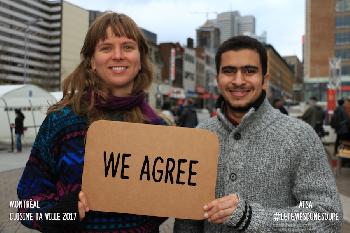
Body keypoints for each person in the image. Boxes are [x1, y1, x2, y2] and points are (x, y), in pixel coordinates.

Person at [17, 12, 167, 233]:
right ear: (91, 62)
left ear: (140, 59)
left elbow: (168, 204)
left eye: (127, 47)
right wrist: (60, 214)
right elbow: (22, 205)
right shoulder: (61, 122)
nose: (118, 55)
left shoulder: (159, 129)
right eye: (106, 48)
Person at [174, 36, 342, 232]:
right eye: (229, 71)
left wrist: (252, 217)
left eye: (249, 71)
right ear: (217, 79)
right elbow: (188, 219)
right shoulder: (200, 136)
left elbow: (326, 215)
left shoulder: (300, 136)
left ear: (265, 80)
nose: (238, 80)